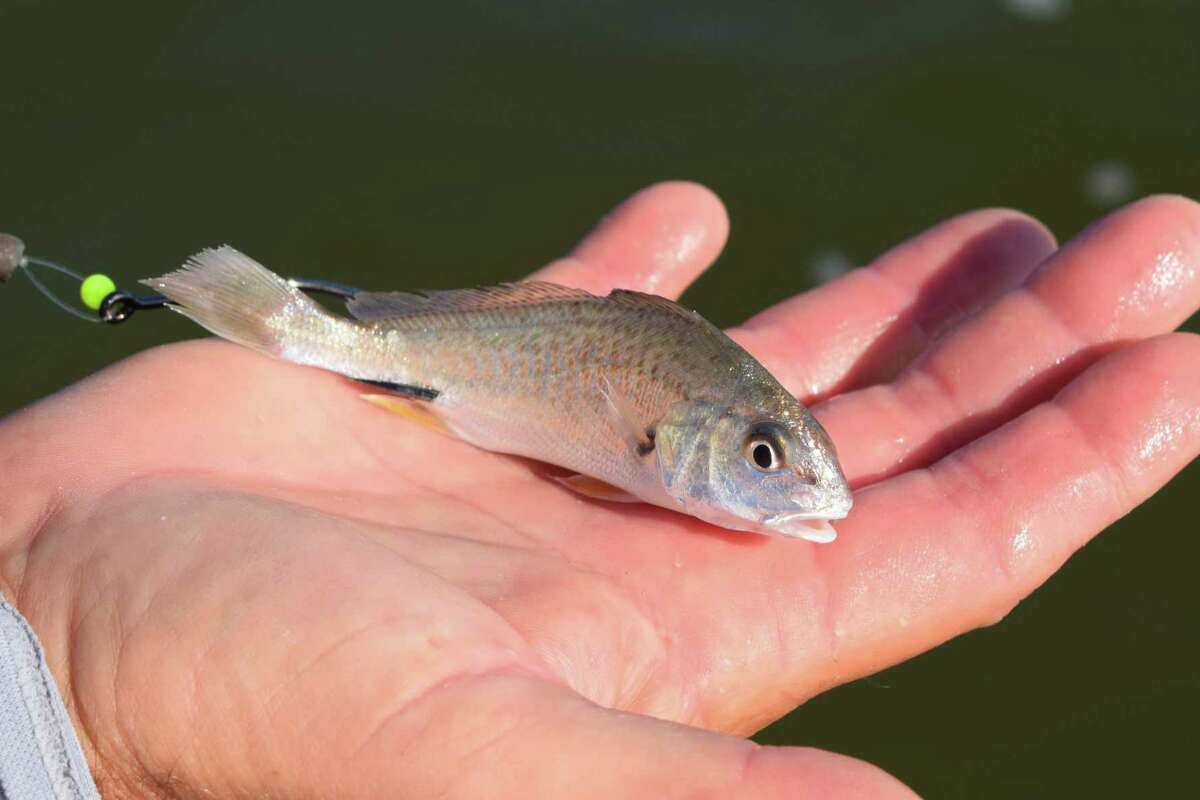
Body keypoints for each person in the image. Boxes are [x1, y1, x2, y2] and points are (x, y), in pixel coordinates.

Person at [0, 182, 1196, 798]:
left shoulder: (699, 419)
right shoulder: (663, 416)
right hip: (422, 362)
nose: (786, 485)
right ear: (687, 435)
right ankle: (285, 323)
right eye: (766, 458)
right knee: (341, 341)